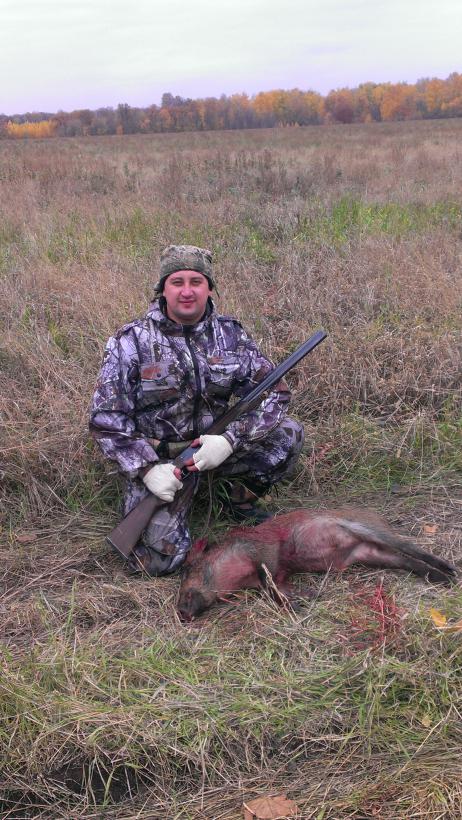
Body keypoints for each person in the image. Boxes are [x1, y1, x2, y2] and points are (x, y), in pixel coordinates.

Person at [90, 244, 304, 576]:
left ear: (209, 288)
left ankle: (237, 500)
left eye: (196, 281)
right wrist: (147, 469)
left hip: (214, 449)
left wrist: (230, 440)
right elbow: (106, 419)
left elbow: (276, 394)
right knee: (160, 562)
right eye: (177, 282)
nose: (187, 291)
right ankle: (171, 502)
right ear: (163, 289)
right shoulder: (130, 341)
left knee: (288, 434)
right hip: (164, 463)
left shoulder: (231, 335)